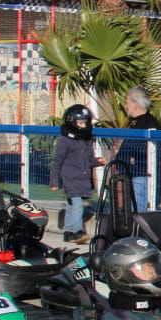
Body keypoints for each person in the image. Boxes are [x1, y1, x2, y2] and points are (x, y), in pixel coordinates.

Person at [50, 104, 105, 244]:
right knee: (77, 205)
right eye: (80, 123)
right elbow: (57, 162)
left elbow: (89, 161)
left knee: (71, 206)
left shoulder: (86, 141)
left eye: (85, 122)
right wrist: (54, 181)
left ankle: (68, 232)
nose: (83, 126)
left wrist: (98, 161)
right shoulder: (65, 141)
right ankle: (77, 231)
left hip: (83, 179)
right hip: (70, 179)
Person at [115, 87, 161, 212]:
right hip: (130, 174)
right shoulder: (133, 122)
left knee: (139, 210)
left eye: (127, 102)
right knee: (131, 209)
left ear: (135, 104)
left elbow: (154, 150)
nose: (126, 106)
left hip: (142, 175)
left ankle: (140, 231)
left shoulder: (149, 123)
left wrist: (133, 158)